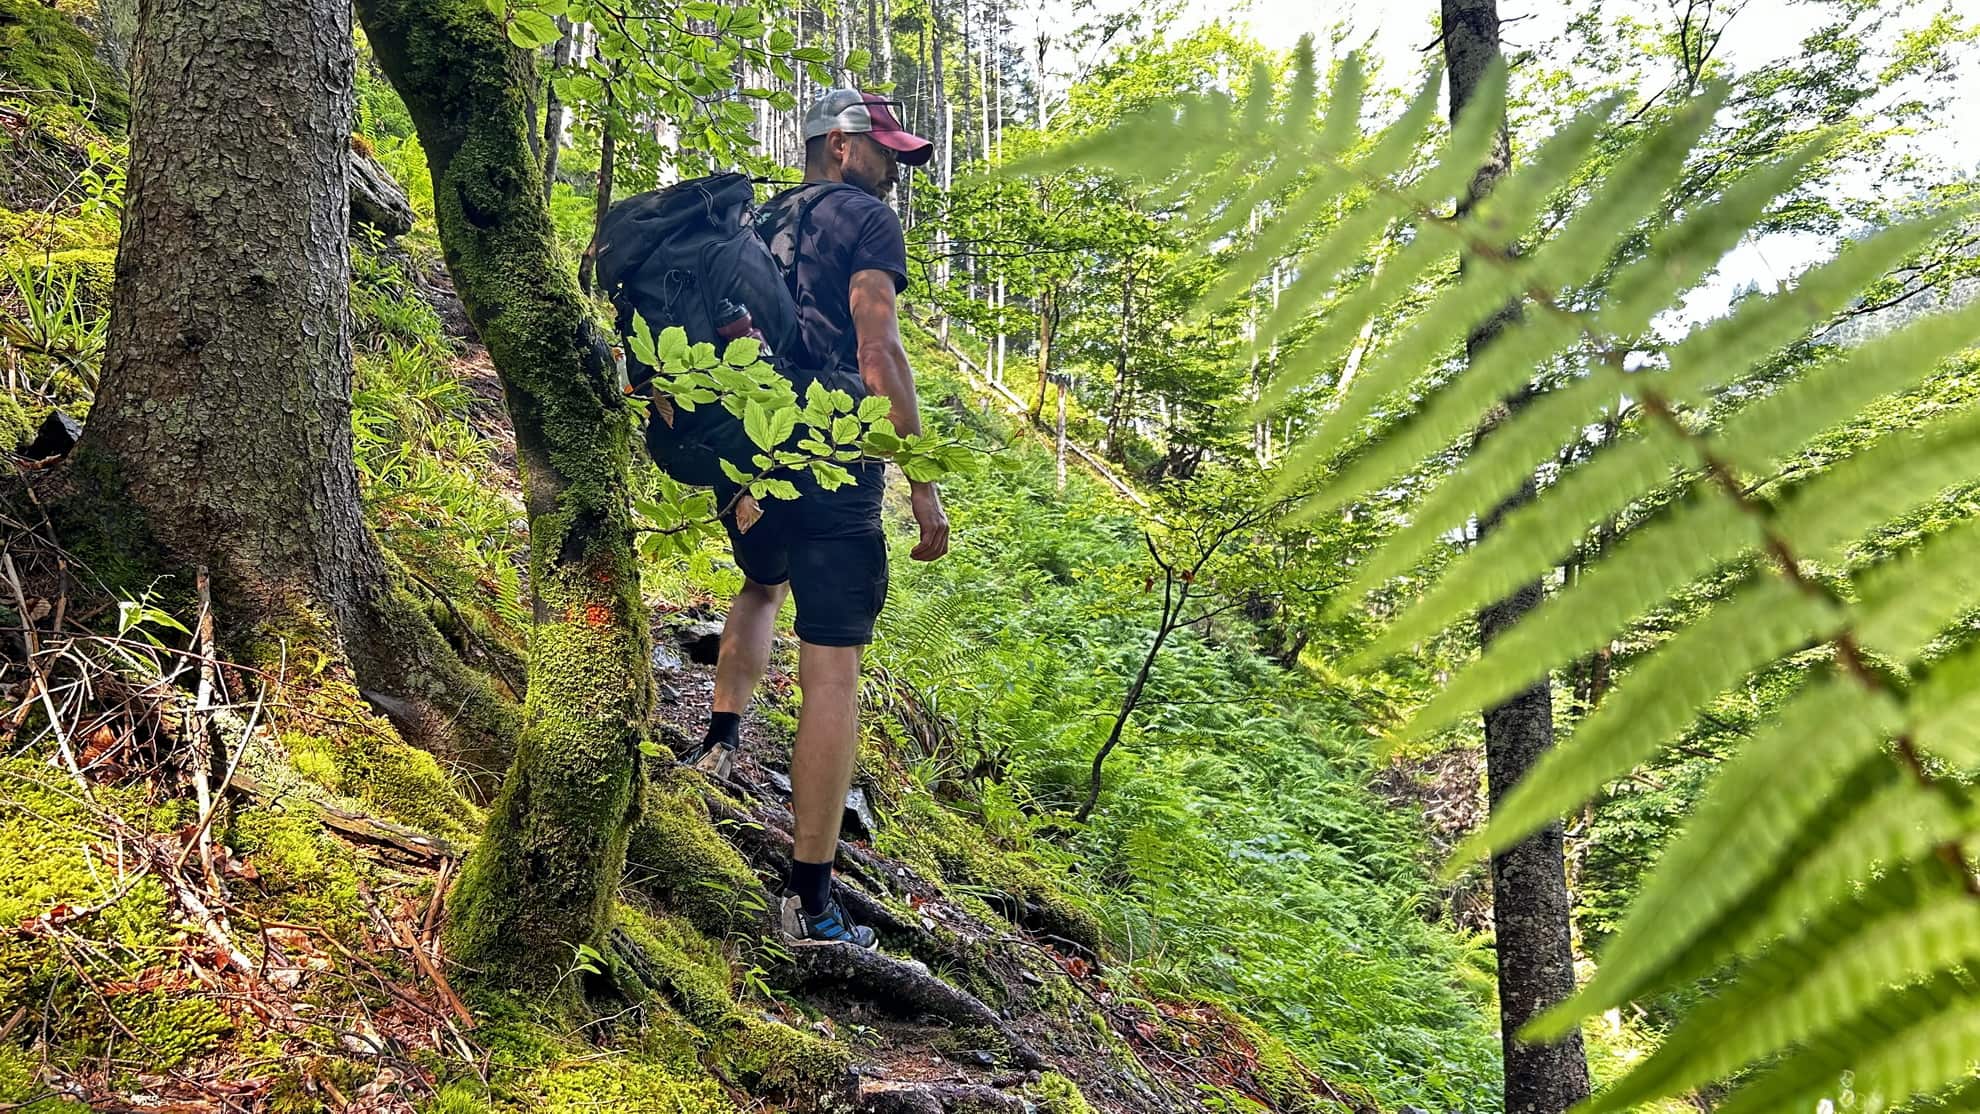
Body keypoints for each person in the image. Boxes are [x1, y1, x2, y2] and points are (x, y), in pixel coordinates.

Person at [693, 90, 950, 949]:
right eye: (884, 151)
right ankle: (810, 900)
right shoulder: (863, 221)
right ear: (839, 146)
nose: (894, 170)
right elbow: (877, 350)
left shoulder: (763, 218)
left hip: (750, 442)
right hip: (833, 451)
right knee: (832, 667)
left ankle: (719, 744)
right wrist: (920, 479)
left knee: (761, 584)